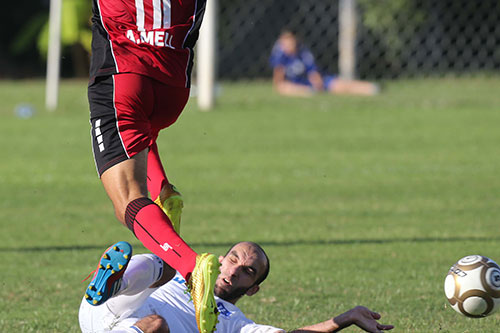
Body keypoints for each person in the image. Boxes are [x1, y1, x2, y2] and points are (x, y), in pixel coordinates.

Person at [86, 0, 218, 332]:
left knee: (128, 202)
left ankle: (192, 268)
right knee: (142, 141)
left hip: (124, 82)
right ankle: (162, 192)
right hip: (173, 88)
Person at [79, 241, 394, 333]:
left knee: (158, 326)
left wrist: (345, 318)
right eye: (232, 259)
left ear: (253, 288)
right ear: (220, 258)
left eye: (248, 272)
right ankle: (113, 281)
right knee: (166, 262)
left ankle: (116, 283)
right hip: (106, 307)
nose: (234, 271)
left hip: (139, 330)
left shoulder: (232, 321)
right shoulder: (187, 273)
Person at [269, 30, 380, 97]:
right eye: (285, 43)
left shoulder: (303, 53)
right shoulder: (280, 56)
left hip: (314, 82)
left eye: (290, 42)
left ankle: (372, 88)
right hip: (297, 85)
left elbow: (314, 73)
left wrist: (318, 85)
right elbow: (278, 81)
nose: (288, 46)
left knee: (341, 85)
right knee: (284, 88)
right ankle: (307, 93)